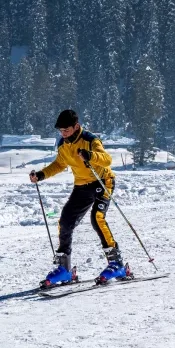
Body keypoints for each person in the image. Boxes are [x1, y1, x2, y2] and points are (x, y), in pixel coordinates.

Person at [30, 109, 129, 287]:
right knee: (65, 222)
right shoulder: (63, 144)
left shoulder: (90, 140)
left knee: (97, 218)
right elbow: (60, 164)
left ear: (76, 126)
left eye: (66, 130)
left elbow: (106, 160)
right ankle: (65, 270)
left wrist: (91, 156)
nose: (63, 134)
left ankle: (117, 264)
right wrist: (41, 175)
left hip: (102, 181)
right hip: (82, 186)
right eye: (61, 131)